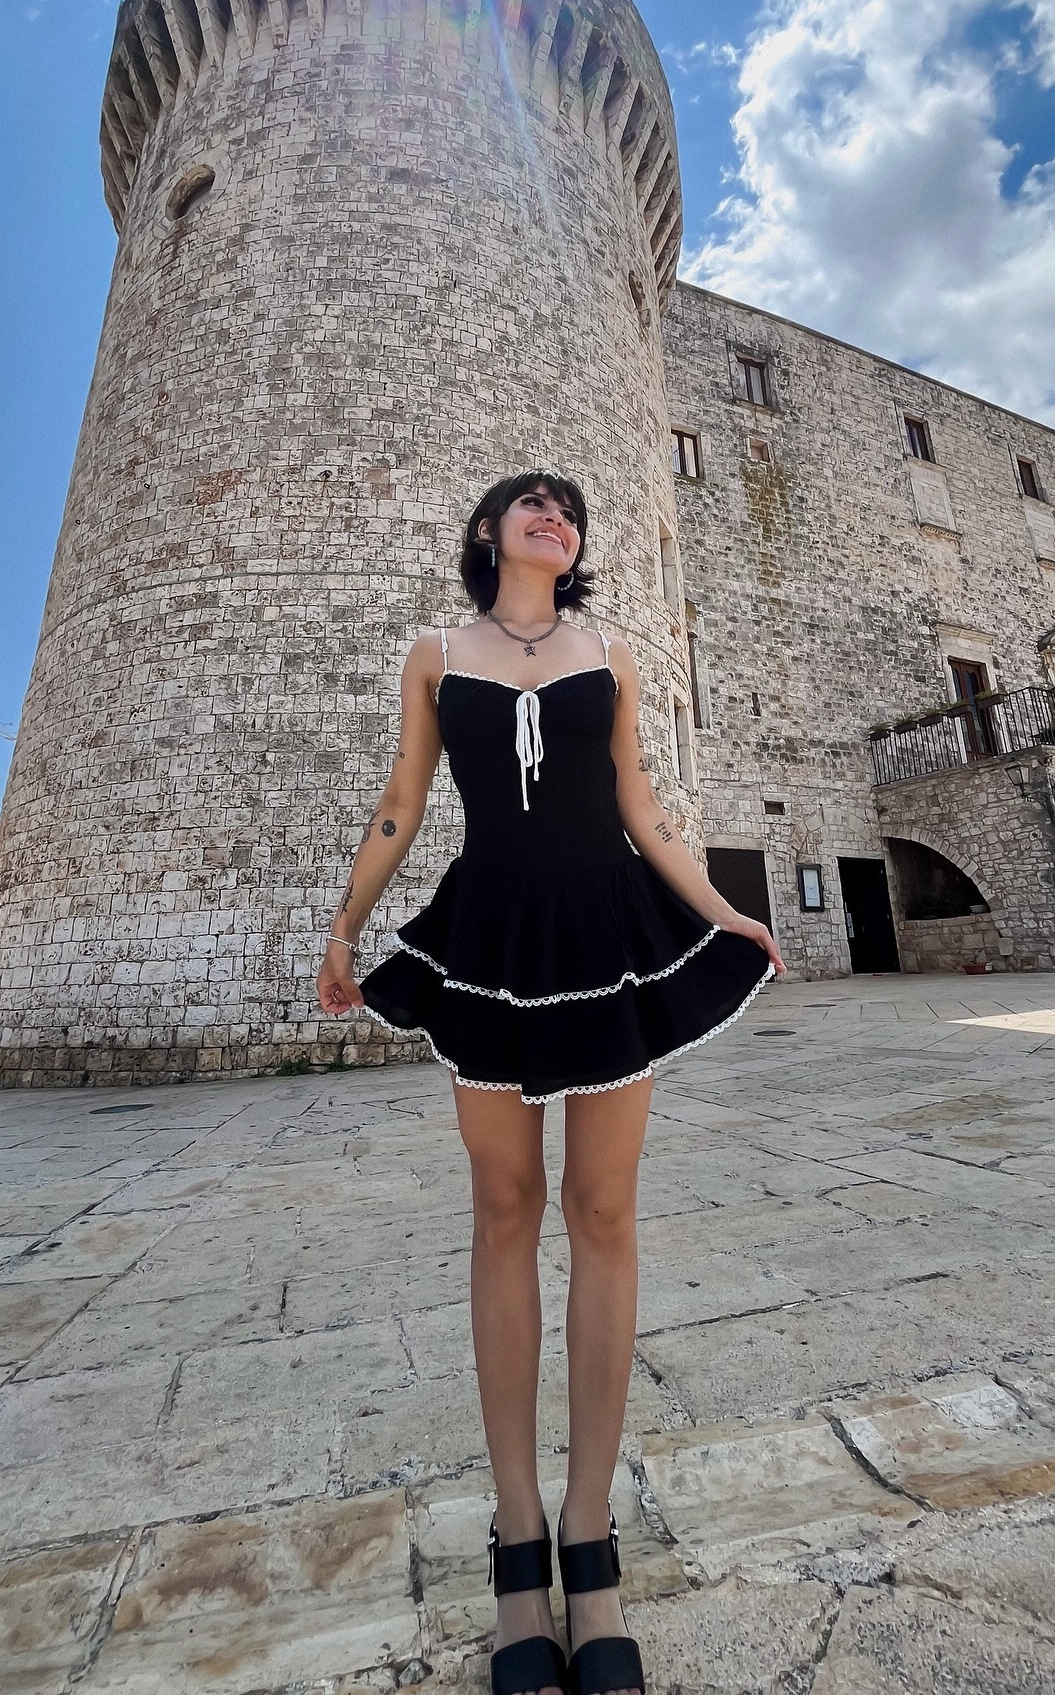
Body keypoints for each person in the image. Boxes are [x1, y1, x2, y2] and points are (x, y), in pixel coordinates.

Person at [318, 471, 784, 1695]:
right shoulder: (434, 653)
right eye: (529, 503)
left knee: (606, 1214)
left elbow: (642, 803)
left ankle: (591, 1537)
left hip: (608, 926)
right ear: (488, 533)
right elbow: (403, 802)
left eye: (568, 509)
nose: (553, 515)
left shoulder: (609, 652)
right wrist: (343, 929)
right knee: (506, 1210)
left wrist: (726, 909)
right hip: (491, 933)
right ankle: (516, 1535)